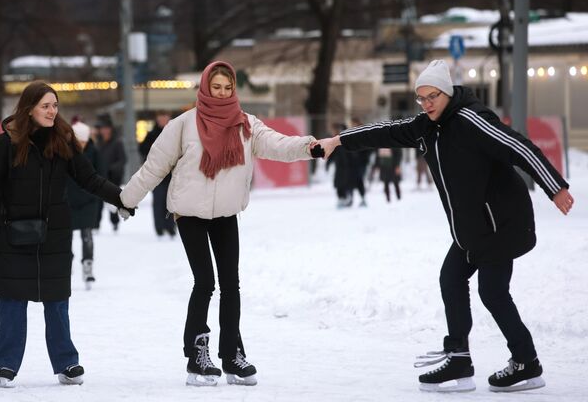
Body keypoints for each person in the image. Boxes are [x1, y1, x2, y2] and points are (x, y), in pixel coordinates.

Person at [318, 59, 574, 393]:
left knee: (492, 291)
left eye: (432, 97)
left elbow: (518, 146)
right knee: (451, 278)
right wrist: (338, 140)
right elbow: (386, 132)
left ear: (448, 93)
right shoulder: (426, 126)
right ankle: (459, 359)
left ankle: (524, 362)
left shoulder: (472, 119)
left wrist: (555, 186)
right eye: (421, 98)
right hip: (472, 228)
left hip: (501, 223)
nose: (426, 104)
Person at [120, 61, 322, 387]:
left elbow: (278, 144)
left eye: (228, 88)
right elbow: (154, 168)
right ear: (205, 87)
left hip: (226, 213)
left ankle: (232, 355)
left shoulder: (246, 125)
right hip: (189, 214)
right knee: (205, 282)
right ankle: (197, 356)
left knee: (231, 284)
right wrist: (127, 199)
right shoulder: (183, 125)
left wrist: (308, 147)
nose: (223, 93)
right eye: (217, 87)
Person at [0, 81, 133, 388]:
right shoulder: (7, 142)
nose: (53, 111)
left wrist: (121, 198)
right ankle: (6, 364)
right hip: (12, 231)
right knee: (12, 300)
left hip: (53, 232)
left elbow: (89, 178)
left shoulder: (63, 139)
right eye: (46, 106)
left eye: (55, 105)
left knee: (57, 300)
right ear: (29, 109)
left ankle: (66, 363)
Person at [66, 121, 104, 290]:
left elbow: (101, 175)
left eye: (84, 141)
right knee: (65, 236)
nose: (81, 144)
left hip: (88, 201)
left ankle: (87, 266)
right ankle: (67, 263)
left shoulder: (94, 152)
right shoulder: (65, 153)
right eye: (78, 141)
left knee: (87, 235)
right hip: (68, 201)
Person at [138, 111, 177, 238]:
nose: (163, 120)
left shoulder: (175, 134)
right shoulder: (151, 135)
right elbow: (143, 150)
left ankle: (171, 227)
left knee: (171, 202)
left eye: (165, 118)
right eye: (161, 118)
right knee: (159, 201)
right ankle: (159, 227)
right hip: (157, 175)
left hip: (172, 174)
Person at [94, 114, 127, 232]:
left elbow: (123, 159)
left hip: (113, 178)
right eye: (103, 128)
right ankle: (95, 224)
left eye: (107, 128)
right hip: (99, 178)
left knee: (113, 202)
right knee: (97, 203)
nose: (105, 131)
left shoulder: (117, 143)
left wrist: (112, 169)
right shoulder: (98, 143)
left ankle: (115, 223)